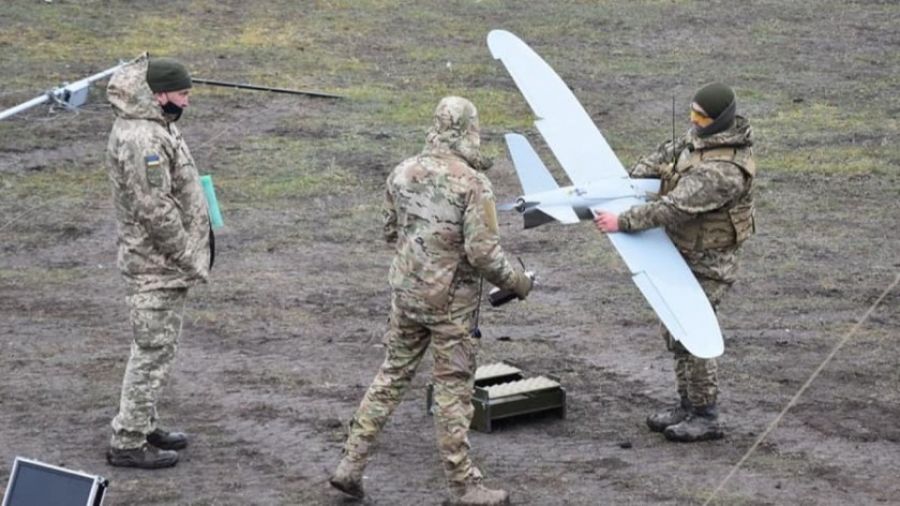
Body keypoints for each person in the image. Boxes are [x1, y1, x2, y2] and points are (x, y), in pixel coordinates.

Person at [329, 96, 533, 505]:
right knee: (453, 391)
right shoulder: (473, 184)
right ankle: (464, 487)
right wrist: (519, 282)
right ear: (470, 130)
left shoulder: (403, 171)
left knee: (390, 376)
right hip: (450, 307)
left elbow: (391, 231)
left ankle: (350, 465)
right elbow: (483, 254)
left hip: (406, 296)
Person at [594, 82, 755, 442]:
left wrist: (624, 220)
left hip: (710, 264)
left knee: (693, 333)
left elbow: (677, 206)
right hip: (681, 252)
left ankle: (705, 415)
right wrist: (629, 183)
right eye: (692, 113)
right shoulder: (699, 139)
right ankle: (686, 406)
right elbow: (660, 159)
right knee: (675, 331)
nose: (693, 121)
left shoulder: (725, 170)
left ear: (719, 121)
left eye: (701, 116)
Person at [104, 55, 212, 468]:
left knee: (156, 347)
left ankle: (143, 421)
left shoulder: (155, 124)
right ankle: (128, 440)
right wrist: (187, 257)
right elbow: (155, 210)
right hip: (156, 265)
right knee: (152, 350)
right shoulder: (142, 139)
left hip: (160, 263)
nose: (185, 102)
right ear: (159, 93)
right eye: (182, 94)